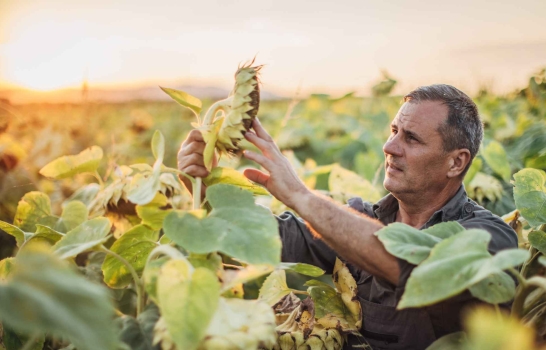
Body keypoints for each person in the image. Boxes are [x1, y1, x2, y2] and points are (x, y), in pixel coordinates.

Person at [177, 84, 518, 350]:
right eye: (394, 130)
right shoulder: (361, 217)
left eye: (411, 139)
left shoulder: (489, 236)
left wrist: (300, 195)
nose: (390, 146)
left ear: (456, 162)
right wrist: (203, 187)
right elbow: (262, 239)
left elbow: (421, 269)